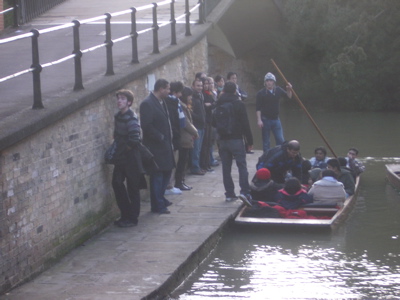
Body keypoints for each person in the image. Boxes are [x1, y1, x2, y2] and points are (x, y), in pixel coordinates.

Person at [212, 81, 253, 203]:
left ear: (224, 90)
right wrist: (249, 141)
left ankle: (229, 194)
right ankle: (245, 192)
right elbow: (245, 123)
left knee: (226, 168)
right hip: (236, 139)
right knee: (242, 166)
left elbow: (214, 122)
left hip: (223, 140)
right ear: (235, 91)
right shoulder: (238, 103)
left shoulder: (219, 103)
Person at [140, 79, 175, 214]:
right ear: (160, 89)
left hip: (165, 145)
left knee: (166, 172)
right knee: (157, 175)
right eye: (167, 89)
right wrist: (160, 137)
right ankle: (157, 205)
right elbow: (146, 126)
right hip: (155, 147)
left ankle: (160, 198)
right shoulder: (147, 104)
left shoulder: (162, 102)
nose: (169, 91)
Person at [111, 90, 146, 227]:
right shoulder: (118, 116)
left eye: (123, 99)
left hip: (131, 156)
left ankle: (132, 218)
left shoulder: (131, 117)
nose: (119, 101)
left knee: (133, 188)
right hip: (121, 157)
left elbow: (134, 139)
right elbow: (116, 135)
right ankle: (125, 214)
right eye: (118, 98)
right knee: (117, 183)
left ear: (129, 102)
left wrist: (123, 149)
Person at [256, 72, 293, 153]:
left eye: (271, 81)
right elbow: (258, 108)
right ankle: (266, 157)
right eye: (267, 81)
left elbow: (289, 96)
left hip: (276, 119)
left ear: (273, 82)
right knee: (266, 142)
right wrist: (259, 120)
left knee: (280, 140)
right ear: (265, 82)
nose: (269, 82)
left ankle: (280, 155)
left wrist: (289, 89)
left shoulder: (278, 90)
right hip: (265, 120)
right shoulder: (261, 93)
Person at [174, 87, 199, 190]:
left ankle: (181, 181)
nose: (190, 98)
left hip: (186, 137)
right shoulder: (181, 107)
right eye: (189, 96)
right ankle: (179, 182)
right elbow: (186, 123)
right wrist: (195, 132)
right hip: (184, 138)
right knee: (182, 161)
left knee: (184, 161)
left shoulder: (183, 106)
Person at [164, 81, 185, 195]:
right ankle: (169, 186)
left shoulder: (172, 102)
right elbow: (179, 121)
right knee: (172, 162)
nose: (181, 95)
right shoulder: (172, 103)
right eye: (179, 93)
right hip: (174, 135)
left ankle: (170, 185)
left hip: (174, 135)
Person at [190, 78, 206, 175]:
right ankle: (195, 168)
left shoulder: (200, 96)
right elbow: (190, 112)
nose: (200, 87)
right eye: (198, 85)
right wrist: (199, 118)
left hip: (202, 125)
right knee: (195, 149)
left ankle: (198, 166)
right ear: (193, 86)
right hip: (196, 126)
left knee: (199, 148)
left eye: (201, 85)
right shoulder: (192, 98)